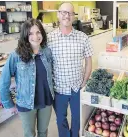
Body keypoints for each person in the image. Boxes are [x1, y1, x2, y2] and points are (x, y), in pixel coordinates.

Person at [0, 18, 54, 137]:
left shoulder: (47, 52)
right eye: (31, 33)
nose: (35, 36)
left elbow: (52, 75)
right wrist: (9, 104)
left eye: (38, 32)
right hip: (26, 103)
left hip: (46, 100)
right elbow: (3, 82)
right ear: (25, 35)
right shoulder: (16, 56)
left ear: (42, 33)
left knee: (43, 132)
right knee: (29, 134)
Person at [47, 2, 93, 137]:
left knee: (77, 118)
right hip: (58, 88)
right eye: (63, 12)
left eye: (70, 13)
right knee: (61, 119)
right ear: (58, 14)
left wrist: (84, 81)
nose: (66, 16)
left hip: (76, 87)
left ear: (73, 16)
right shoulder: (49, 39)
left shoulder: (83, 37)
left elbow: (88, 61)